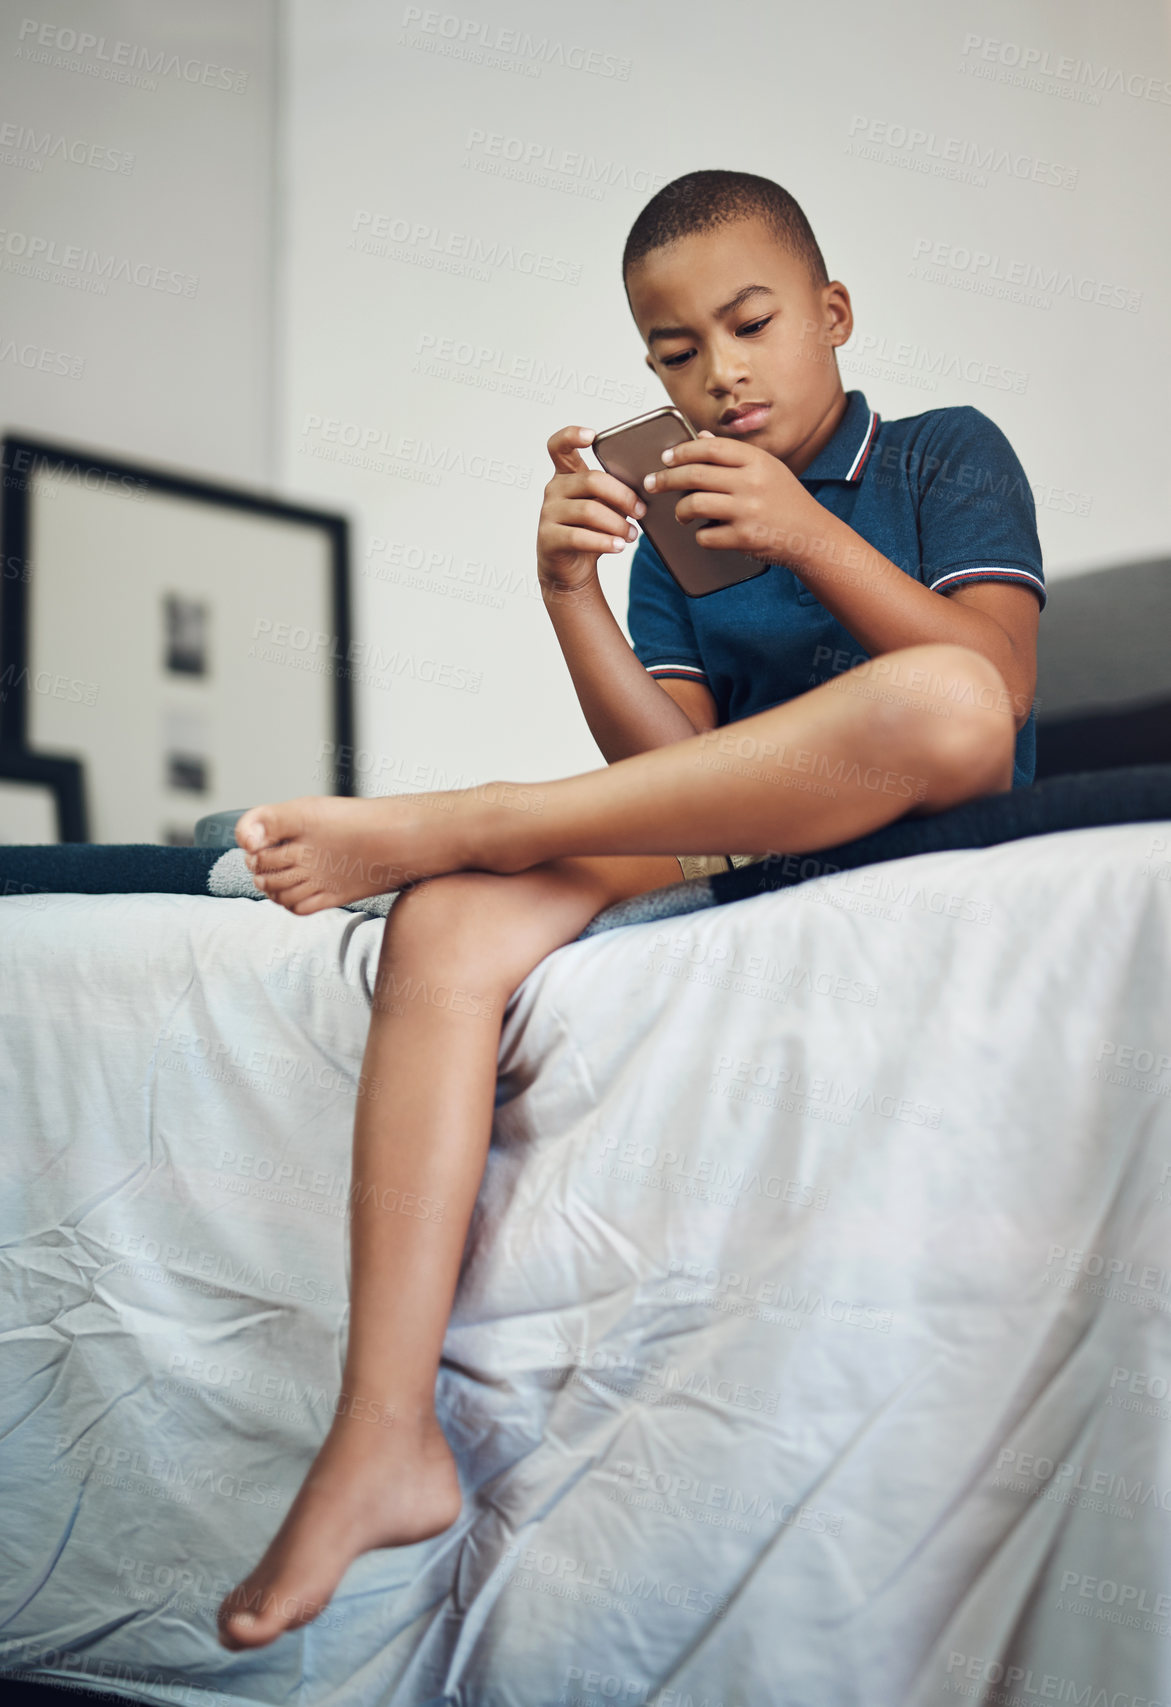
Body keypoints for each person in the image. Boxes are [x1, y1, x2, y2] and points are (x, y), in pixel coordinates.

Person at [216, 169, 1044, 1649]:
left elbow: (994, 699)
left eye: (750, 326)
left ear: (832, 316)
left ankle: (460, 816)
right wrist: (576, 599)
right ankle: (382, 1433)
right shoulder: (683, 523)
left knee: (933, 697)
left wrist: (808, 534)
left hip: (927, 788)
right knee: (447, 926)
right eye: (672, 352)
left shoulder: (941, 457)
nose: (716, 375)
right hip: (736, 837)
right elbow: (668, 784)